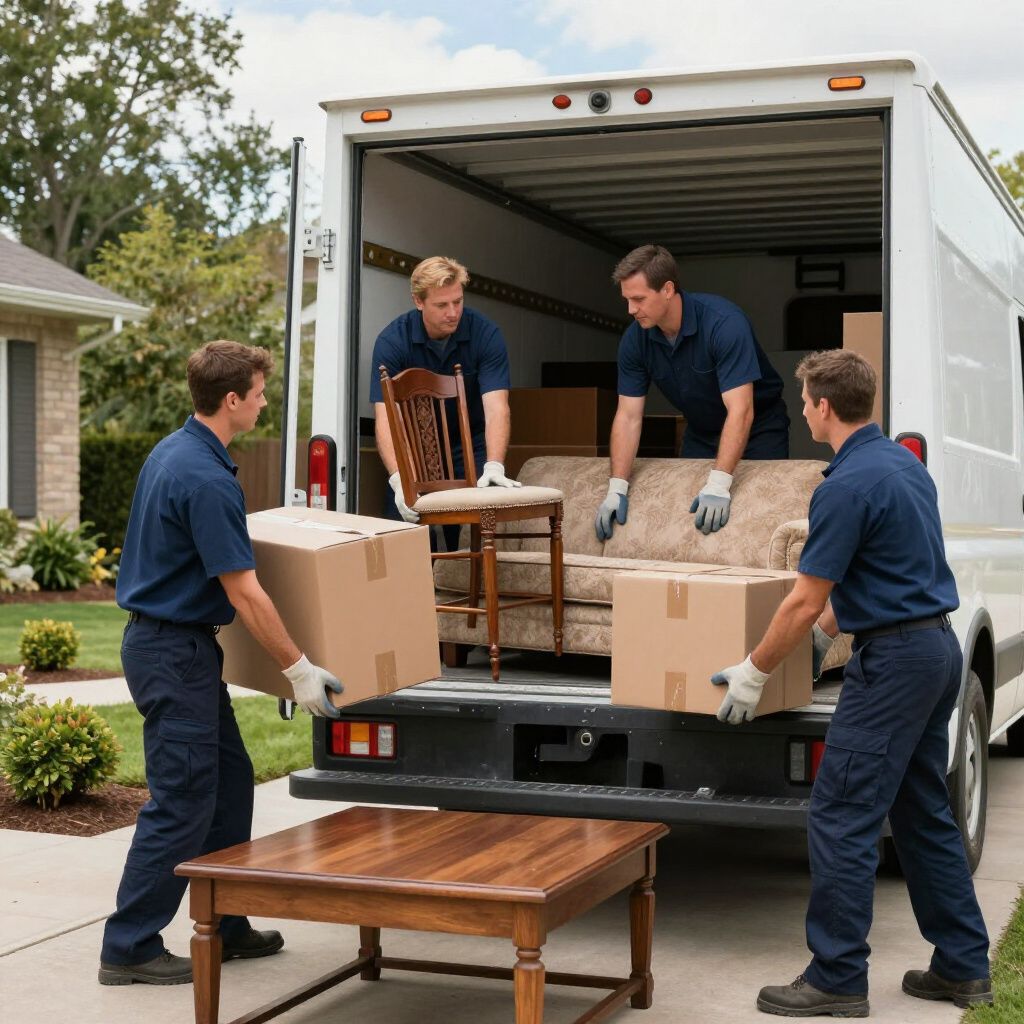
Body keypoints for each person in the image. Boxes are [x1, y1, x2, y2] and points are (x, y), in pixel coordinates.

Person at [711, 350, 991, 1016]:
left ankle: (836, 976)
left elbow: (806, 599)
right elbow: (877, 576)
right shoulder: (902, 466)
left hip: (893, 666)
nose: (803, 407)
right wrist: (812, 643)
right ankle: (962, 966)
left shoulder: (842, 486)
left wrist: (755, 670)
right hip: (936, 649)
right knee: (922, 812)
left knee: (842, 814)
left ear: (823, 407)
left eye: (805, 399)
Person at [99, 341, 343, 986]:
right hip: (170, 652)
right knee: (182, 800)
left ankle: (225, 923)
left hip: (180, 648)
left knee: (230, 783)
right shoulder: (204, 477)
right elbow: (244, 590)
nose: (265, 403)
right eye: (260, 393)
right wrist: (298, 669)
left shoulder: (178, 451)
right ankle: (129, 946)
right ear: (232, 399)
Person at [595, 244, 790, 541]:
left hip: (759, 428)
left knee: (757, 517)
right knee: (690, 521)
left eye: (638, 299)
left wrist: (720, 483)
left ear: (668, 289)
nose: (631, 310)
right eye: (627, 300)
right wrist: (616, 487)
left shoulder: (724, 324)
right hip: (701, 431)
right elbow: (628, 416)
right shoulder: (636, 339)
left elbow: (742, 410)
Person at [370, 256, 518, 550]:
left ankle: (466, 591)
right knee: (403, 533)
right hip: (415, 448)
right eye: (442, 305)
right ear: (418, 301)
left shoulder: (486, 334)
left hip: (470, 444)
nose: (453, 313)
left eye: (458, 302)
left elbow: (496, 407)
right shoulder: (392, 341)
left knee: (471, 535)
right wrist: (400, 480)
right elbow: (386, 419)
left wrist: (494, 465)